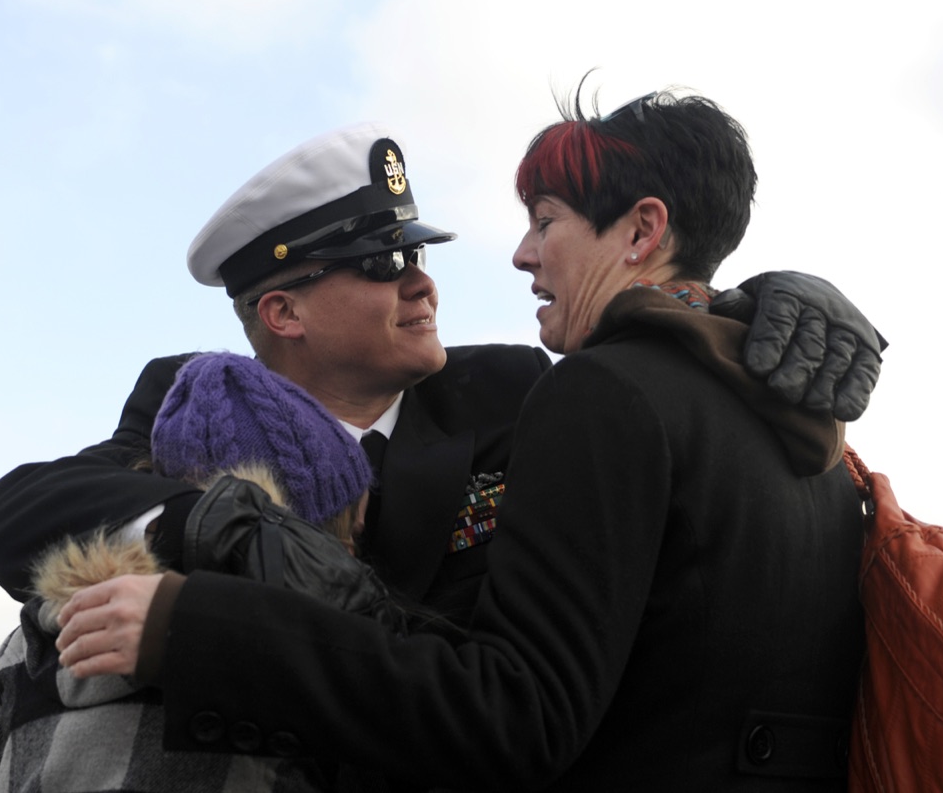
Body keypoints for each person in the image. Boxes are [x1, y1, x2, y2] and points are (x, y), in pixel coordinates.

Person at [56, 88, 871, 790]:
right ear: (282, 314)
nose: (520, 253)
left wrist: (202, 626)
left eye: (545, 220)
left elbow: (516, 717)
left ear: (640, 232)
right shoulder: (806, 420)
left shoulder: (595, 391)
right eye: (385, 262)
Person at [0, 120, 885, 639]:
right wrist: (206, 520)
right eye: (381, 263)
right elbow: (12, 512)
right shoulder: (191, 401)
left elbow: (659, 373)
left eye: (417, 251)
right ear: (282, 314)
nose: (422, 282)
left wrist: (760, 300)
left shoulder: (512, 393)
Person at [0, 351, 402, 792]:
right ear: (295, 529)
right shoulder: (288, 652)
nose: (351, 551)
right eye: (348, 531)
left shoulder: (29, 637)